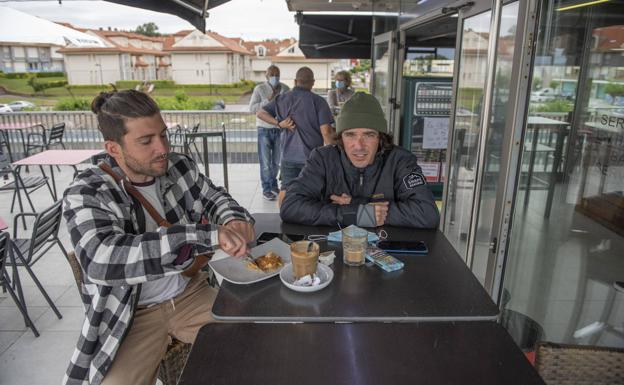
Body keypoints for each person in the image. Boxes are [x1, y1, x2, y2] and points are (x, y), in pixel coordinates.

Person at [62, 90, 255, 385]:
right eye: (146, 141)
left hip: (190, 293)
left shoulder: (178, 167)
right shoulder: (88, 191)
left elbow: (214, 198)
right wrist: (205, 235)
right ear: (113, 148)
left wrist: (233, 218)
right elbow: (101, 260)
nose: (162, 148)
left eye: (163, 135)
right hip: (131, 314)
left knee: (263, 343)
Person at [280, 92, 439, 228]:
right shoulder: (322, 158)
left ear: (381, 138)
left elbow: (428, 213)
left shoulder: (401, 160)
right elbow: (290, 206)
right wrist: (354, 214)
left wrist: (357, 204)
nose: (359, 146)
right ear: (341, 137)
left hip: (387, 252)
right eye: (350, 135)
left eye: (369, 135)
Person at [256, 66, 334, 202]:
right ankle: (308, 219)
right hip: (312, 158)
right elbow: (326, 132)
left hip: (288, 157)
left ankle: (283, 219)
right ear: (313, 82)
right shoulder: (319, 102)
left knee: (285, 189)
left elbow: (260, 113)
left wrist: (279, 124)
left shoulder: (282, 99)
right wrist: (335, 153)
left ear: (295, 81)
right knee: (313, 192)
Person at [249, 65, 290, 200]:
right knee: (266, 162)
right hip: (263, 130)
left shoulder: (285, 88)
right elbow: (252, 108)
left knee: (276, 162)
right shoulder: (259, 89)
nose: (275, 77)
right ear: (266, 76)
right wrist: (269, 100)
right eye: (272, 74)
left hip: (280, 129)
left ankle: (273, 186)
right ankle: (266, 189)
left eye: (277, 74)